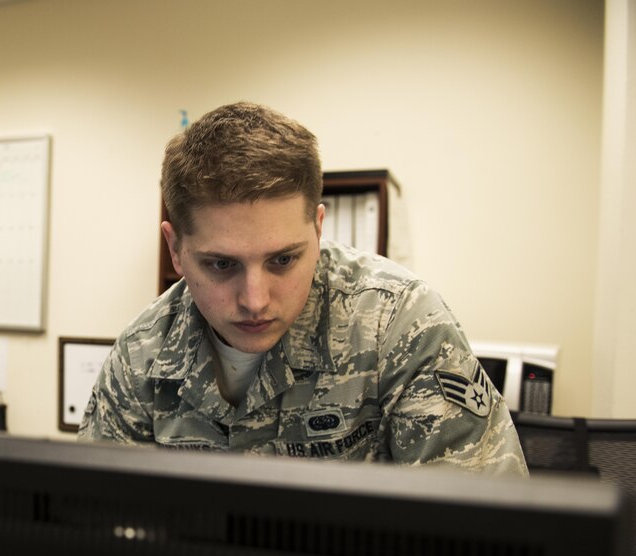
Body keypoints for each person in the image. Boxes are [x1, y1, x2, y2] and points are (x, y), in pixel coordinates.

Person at [78, 101, 528, 475]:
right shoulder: (142, 356)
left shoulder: (399, 324)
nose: (254, 299)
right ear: (175, 250)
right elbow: (92, 530)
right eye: (221, 264)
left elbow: (486, 537)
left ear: (317, 228)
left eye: (283, 260)